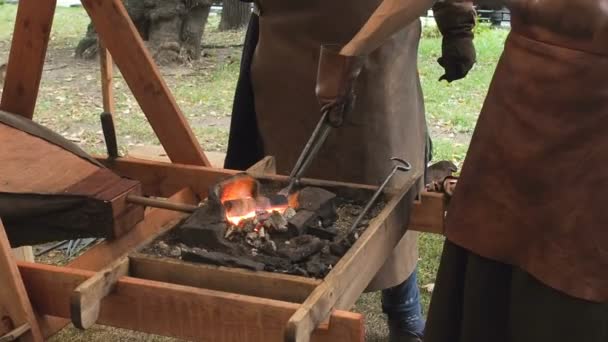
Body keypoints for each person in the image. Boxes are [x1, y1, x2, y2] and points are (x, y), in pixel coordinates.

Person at [224, 1, 476, 340]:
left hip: (377, 42)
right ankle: (292, 303)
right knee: (287, 186)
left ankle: (404, 311)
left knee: (389, 182)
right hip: (288, 49)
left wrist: (457, 26)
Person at [422, 0, 608, 341]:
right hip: (512, 118)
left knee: (573, 273)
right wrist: (351, 53)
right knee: (490, 255)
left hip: (594, 139)